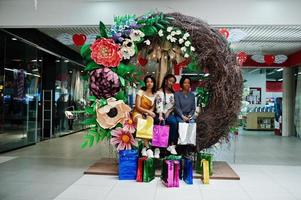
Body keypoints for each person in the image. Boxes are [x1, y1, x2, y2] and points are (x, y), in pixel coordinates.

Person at [132, 75, 157, 158]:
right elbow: (137, 106)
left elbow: (153, 107)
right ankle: (147, 147)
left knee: (150, 120)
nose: (149, 83)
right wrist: (147, 111)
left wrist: (149, 113)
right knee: (141, 121)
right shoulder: (140, 92)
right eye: (147, 82)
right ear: (145, 83)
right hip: (138, 113)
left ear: (153, 83)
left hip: (147, 114)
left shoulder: (155, 94)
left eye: (151, 82)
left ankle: (143, 147)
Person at [155, 74, 178, 157]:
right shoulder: (160, 92)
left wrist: (169, 111)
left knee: (174, 122)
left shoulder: (173, 93)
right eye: (170, 81)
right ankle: (158, 147)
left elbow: (175, 105)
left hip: (169, 113)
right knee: (160, 122)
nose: (171, 83)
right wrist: (161, 115)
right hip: (160, 113)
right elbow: (159, 105)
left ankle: (171, 145)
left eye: (173, 82)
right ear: (165, 81)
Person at [174, 76, 196, 156]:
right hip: (180, 115)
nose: (187, 84)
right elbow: (177, 107)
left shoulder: (192, 95)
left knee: (192, 124)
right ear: (182, 84)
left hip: (189, 116)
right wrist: (183, 116)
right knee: (182, 124)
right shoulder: (177, 94)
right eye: (185, 82)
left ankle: (188, 148)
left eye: (188, 83)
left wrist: (190, 116)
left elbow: (193, 108)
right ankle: (180, 148)